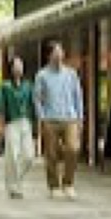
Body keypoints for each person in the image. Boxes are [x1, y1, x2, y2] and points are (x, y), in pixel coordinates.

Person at [34, 40, 84, 199]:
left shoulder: (71, 74)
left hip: (70, 118)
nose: (59, 54)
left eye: (61, 51)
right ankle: (54, 186)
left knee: (73, 148)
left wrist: (80, 117)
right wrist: (41, 118)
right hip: (50, 118)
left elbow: (78, 96)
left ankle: (68, 183)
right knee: (51, 154)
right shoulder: (42, 75)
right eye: (56, 52)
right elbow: (37, 98)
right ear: (49, 55)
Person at [0, 56, 36, 199]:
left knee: (29, 156)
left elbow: (34, 104)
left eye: (21, 65)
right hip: (12, 123)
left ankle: (15, 180)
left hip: (26, 123)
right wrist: (0, 124)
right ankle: (14, 187)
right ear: (11, 69)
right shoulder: (5, 86)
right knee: (12, 156)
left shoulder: (29, 85)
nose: (18, 68)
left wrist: (35, 124)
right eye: (16, 66)